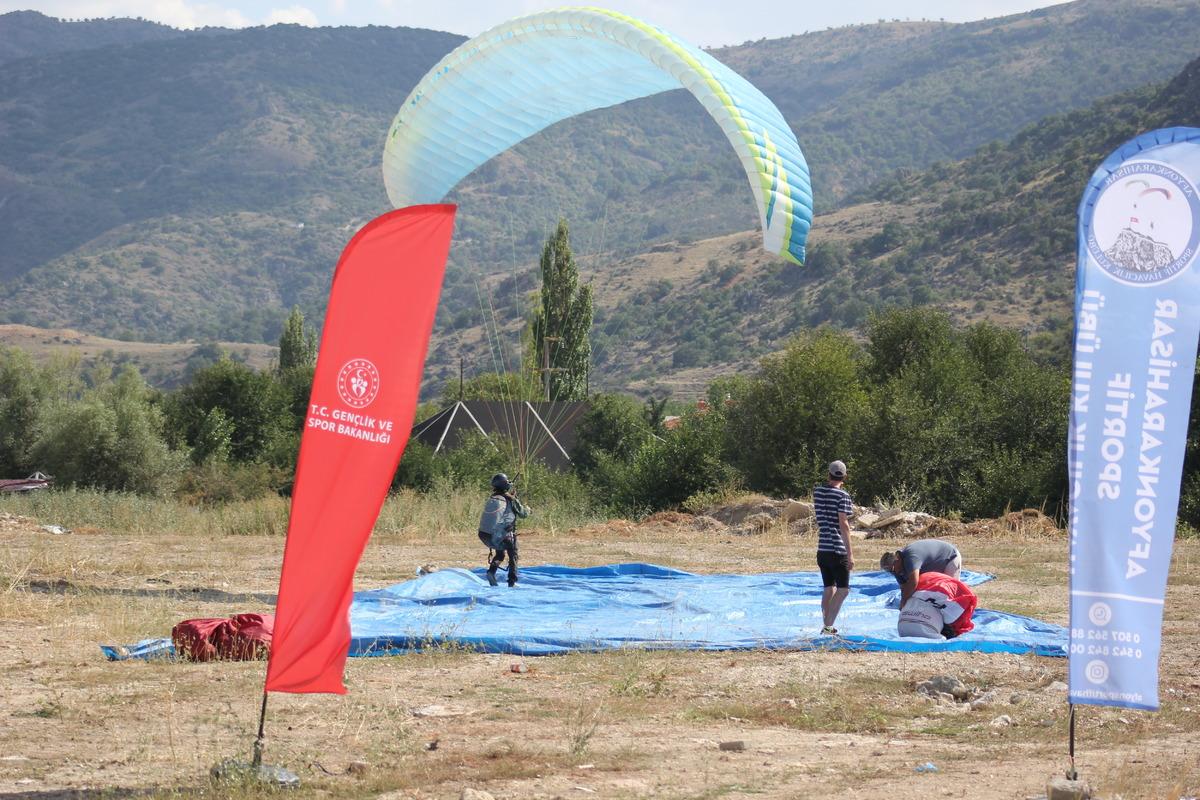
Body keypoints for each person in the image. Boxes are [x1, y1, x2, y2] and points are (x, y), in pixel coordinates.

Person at [813, 460, 854, 635]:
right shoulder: (842, 496)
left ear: (828, 474)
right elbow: (843, 524)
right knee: (843, 589)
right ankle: (828, 627)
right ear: (844, 477)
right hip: (837, 549)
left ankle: (826, 624)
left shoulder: (817, 492)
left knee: (829, 587)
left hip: (822, 549)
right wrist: (850, 554)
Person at [478, 473, 530, 587]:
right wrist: (527, 508)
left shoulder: (493, 498)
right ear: (506, 486)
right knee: (513, 555)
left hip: (489, 536)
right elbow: (523, 514)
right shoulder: (511, 499)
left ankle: (491, 572)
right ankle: (512, 582)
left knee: (500, 554)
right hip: (503, 535)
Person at [880, 539, 963, 607]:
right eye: (889, 571)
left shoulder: (911, 558)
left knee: (950, 591)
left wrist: (904, 603)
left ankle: (957, 615)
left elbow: (913, 583)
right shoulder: (896, 568)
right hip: (932, 565)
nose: (894, 573)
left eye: (893, 569)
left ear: (897, 559)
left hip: (949, 557)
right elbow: (904, 588)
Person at [897, 571, 977, 640]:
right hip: (928, 631)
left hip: (901, 630)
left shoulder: (920, 583)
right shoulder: (959, 591)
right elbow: (955, 621)